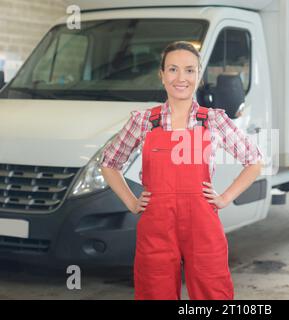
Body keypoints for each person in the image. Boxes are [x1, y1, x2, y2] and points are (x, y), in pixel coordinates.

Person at [100, 41, 263, 300]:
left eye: (189, 70)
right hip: (156, 224)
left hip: (202, 223)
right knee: (155, 291)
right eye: (173, 69)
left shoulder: (214, 119)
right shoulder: (144, 121)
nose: (181, 78)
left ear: (198, 75)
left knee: (212, 291)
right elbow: (109, 163)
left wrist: (224, 198)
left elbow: (254, 161)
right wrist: (132, 202)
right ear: (162, 74)